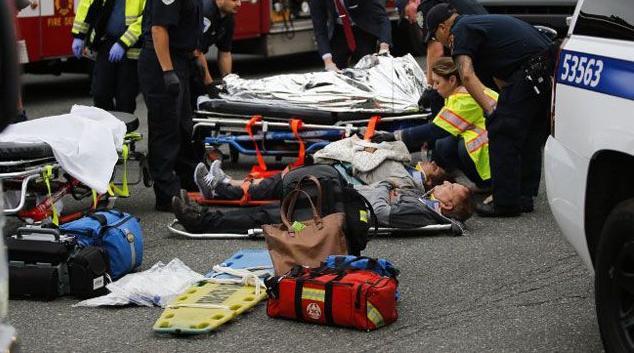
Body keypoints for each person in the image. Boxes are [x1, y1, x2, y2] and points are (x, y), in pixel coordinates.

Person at [421, 3, 554, 217]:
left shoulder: (460, 31)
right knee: (529, 133)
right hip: (544, 68)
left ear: (443, 27)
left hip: (529, 71)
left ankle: (505, 202)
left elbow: (465, 74)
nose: (439, 41)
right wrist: (505, 104)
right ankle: (523, 196)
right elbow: (500, 75)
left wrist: (492, 112)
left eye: (435, 35)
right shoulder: (479, 24)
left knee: (501, 131)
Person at [138, 0, 217, 211]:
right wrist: (168, 71)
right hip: (162, 62)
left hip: (179, 61)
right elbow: (159, 29)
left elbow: (186, 28)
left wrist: (195, 62)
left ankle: (188, 180)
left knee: (183, 125)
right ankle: (166, 193)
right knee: (165, 128)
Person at [171, 179, 475, 234]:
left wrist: (383, 188)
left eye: (450, 187)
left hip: (340, 218)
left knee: (275, 216)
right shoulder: (424, 201)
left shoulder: (423, 212)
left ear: (446, 204)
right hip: (344, 203)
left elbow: (380, 214)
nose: (445, 183)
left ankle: (202, 220)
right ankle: (220, 196)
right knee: (288, 191)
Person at [372, 57, 498, 190]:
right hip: (492, 132)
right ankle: (484, 184)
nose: (435, 87)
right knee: (444, 144)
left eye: (437, 82)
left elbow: (436, 129)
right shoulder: (460, 92)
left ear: (452, 80)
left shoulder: (465, 99)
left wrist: (395, 136)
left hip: (499, 140)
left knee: (460, 147)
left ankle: (491, 184)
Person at [394, 0, 487, 114]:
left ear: (413, 0)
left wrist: (430, 86)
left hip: (476, 51)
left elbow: (436, 51)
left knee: (438, 96)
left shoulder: (425, 7)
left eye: (406, 13)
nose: (410, 19)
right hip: (486, 45)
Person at [193, 158, 452, 201]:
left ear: (430, 181)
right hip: (343, 173)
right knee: (286, 177)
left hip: (343, 182)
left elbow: (375, 187)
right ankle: (229, 183)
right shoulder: (408, 169)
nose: (432, 162)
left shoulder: (408, 183)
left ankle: (221, 189)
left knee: (286, 184)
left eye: (437, 168)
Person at [310, 0, 392, 71]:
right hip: (340, 30)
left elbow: (381, 17)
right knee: (332, 73)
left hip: (363, 29)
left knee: (368, 71)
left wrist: (384, 47)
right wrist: (328, 63)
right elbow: (319, 28)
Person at [195, 0, 242, 98]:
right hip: (180, 60)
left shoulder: (229, 18)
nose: (239, 4)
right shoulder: (207, 14)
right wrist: (209, 84)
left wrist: (227, 83)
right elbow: (197, 51)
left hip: (195, 59)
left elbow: (225, 52)